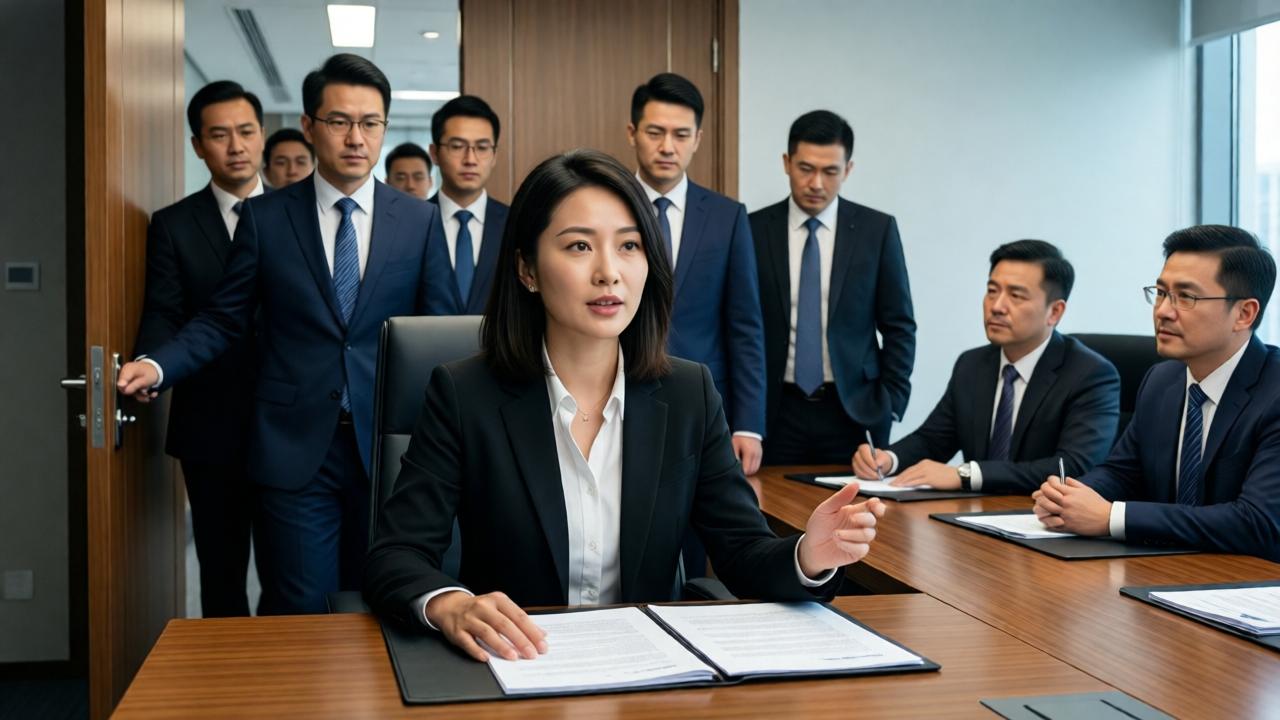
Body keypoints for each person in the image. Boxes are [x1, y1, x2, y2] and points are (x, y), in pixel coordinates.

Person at [363, 150, 886, 661]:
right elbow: (397, 555)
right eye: (578, 247)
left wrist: (808, 555)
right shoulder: (465, 393)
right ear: (526, 269)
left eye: (630, 246)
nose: (609, 272)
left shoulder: (688, 394)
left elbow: (741, 550)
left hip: (649, 675)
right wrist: (451, 604)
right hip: (518, 666)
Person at [117, 54, 443, 614]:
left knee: (379, 600)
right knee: (303, 606)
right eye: (340, 122)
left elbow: (436, 332)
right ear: (311, 127)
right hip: (294, 448)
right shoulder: (266, 218)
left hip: (387, 445)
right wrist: (160, 364)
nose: (356, 137)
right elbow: (224, 317)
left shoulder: (418, 220)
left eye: (371, 122)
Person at [1034, 225, 1280, 561]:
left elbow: (1257, 523)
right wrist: (1073, 496)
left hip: (1251, 589)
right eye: (1161, 292)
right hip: (1164, 573)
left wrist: (1111, 518)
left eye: (1186, 297)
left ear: (1244, 313)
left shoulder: (1274, 391)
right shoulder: (1162, 380)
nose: (1163, 310)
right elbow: (1123, 472)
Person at [134, 80, 265, 617]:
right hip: (210, 423)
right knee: (221, 571)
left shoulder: (295, 214)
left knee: (294, 574)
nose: (235, 145)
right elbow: (164, 308)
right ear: (197, 146)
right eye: (219, 135)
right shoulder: (173, 224)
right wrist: (152, 364)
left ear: (262, 137)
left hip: (291, 422)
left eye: (246, 131)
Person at [852, 240, 1119, 493]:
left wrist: (967, 474)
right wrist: (889, 458)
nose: (997, 306)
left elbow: (1071, 467)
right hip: (972, 519)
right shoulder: (972, 364)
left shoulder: (1090, 375)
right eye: (992, 291)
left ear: (1055, 312)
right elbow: (934, 439)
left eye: (1016, 296)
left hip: (1041, 523)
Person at [750, 110, 916, 465]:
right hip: (775, 410)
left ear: (848, 169)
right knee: (771, 515)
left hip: (853, 410)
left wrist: (890, 404)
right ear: (786, 162)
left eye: (830, 172)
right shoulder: (752, 230)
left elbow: (900, 325)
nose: (816, 184)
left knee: (856, 516)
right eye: (805, 168)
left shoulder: (877, 230)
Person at [626, 72, 766, 476]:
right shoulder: (607, 207)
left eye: (681, 135)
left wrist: (749, 425)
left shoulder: (728, 217)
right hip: (617, 392)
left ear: (698, 139)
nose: (668, 147)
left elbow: (745, 326)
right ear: (633, 132)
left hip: (704, 401)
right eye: (655, 132)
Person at [423, 95, 509, 315]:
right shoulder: (412, 224)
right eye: (457, 146)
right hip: (428, 349)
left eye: (482, 147)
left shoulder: (515, 223)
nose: (470, 159)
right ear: (435, 153)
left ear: (494, 155)